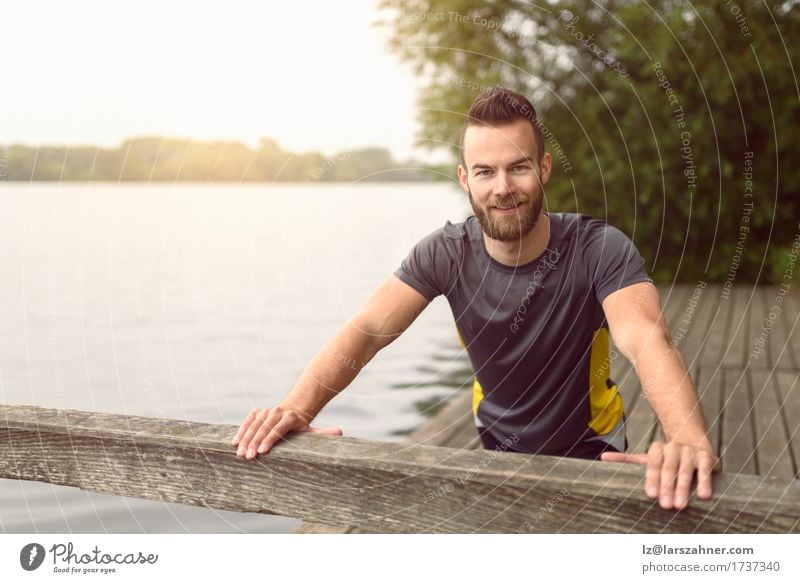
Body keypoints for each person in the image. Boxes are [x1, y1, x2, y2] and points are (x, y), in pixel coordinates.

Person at [232, 85, 721, 511]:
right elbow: (366, 331)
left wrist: (686, 439)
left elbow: (645, 337)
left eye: (519, 168)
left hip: (593, 454)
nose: (503, 188)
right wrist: (296, 409)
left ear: (544, 169)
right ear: (465, 179)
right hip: (495, 454)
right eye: (485, 172)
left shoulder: (598, 248)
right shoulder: (444, 253)